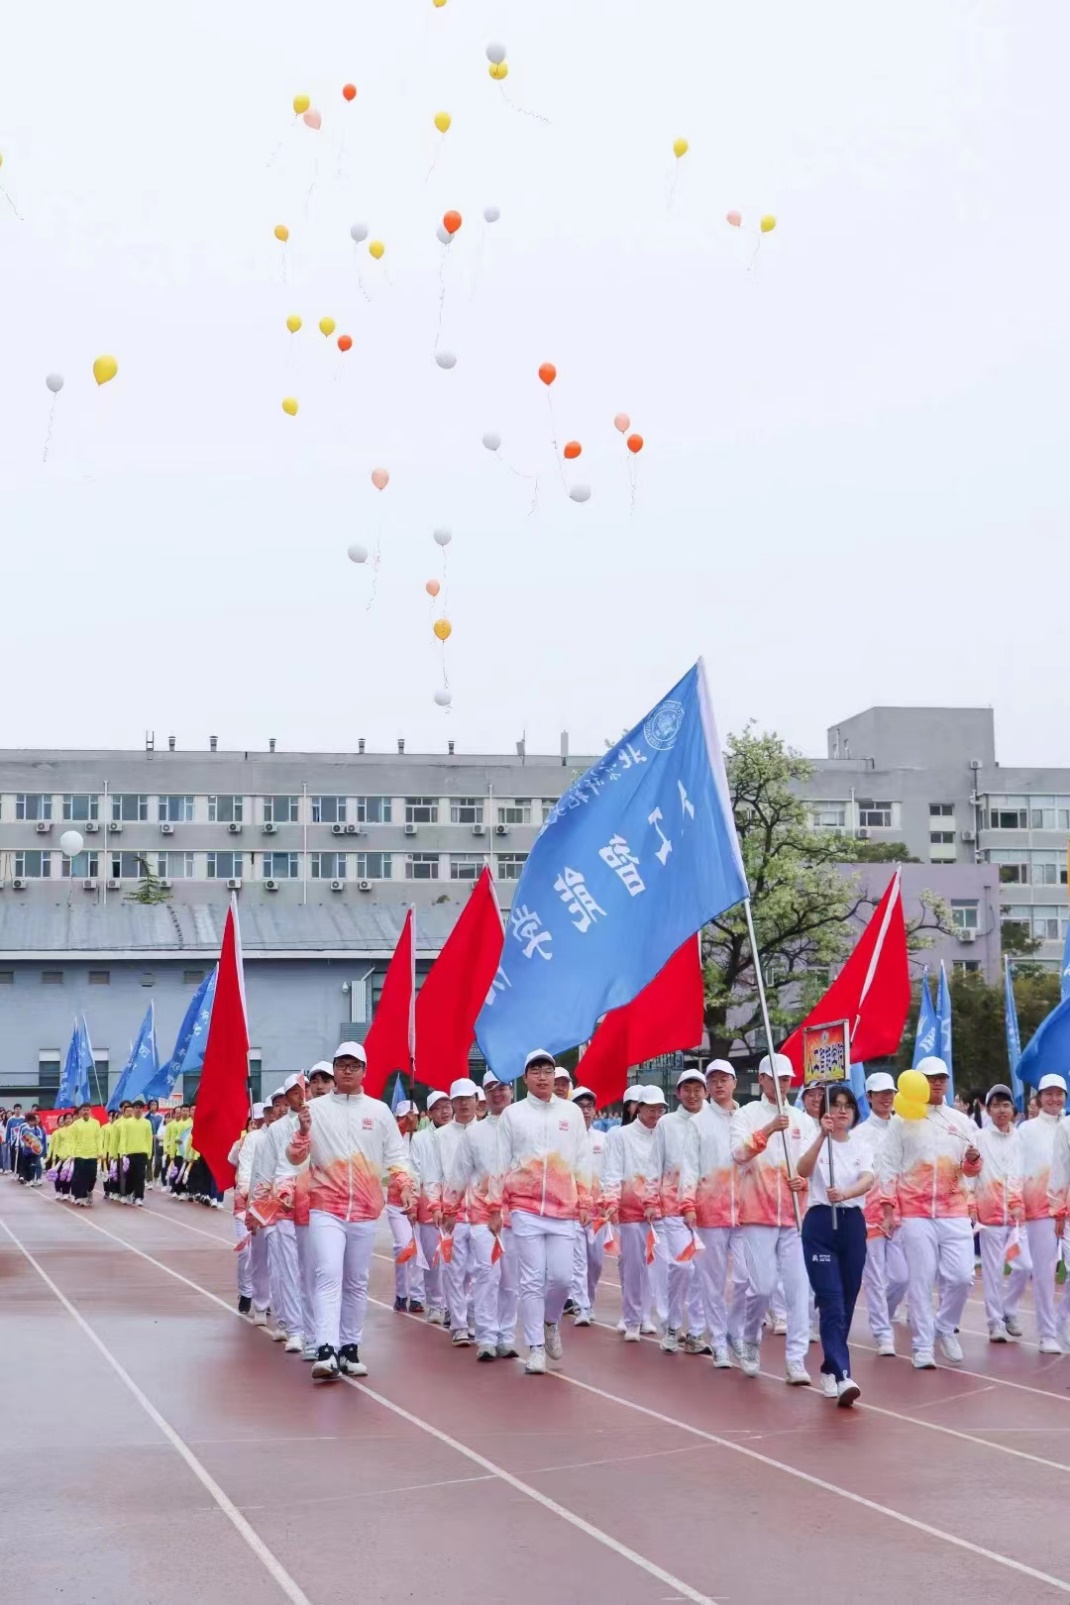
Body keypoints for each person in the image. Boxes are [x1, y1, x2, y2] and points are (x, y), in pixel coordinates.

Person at [288, 1041, 415, 1382]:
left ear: (364, 1071)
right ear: (334, 1069)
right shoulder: (314, 1110)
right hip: (325, 1208)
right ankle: (326, 1349)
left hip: (364, 1209)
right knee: (328, 1273)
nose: (347, 1070)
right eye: (342, 1065)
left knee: (357, 1281)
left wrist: (405, 1183)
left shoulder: (379, 1112)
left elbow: (397, 1156)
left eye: (354, 1065)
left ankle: (349, 1348)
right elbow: (295, 1157)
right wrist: (302, 1132)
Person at [877, 1056, 982, 1369]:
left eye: (941, 1078)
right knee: (921, 1280)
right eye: (930, 1078)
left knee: (962, 1276)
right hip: (916, 1213)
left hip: (954, 1210)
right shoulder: (901, 1121)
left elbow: (971, 1170)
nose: (937, 1083)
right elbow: (888, 1165)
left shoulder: (961, 1121)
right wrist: (888, 1208)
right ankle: (922, 1346)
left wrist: (973, 1160)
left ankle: (945, 1327)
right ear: (918, 1081)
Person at [497, 1050, 589, 1375]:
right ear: (525, 1078)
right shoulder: (513, 1115)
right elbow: (501, 1162)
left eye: (547, 1071)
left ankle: (551, 1321)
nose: (542, 1077)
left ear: (555, 1076)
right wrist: (499, 1204)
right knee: (532, 1279)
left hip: (563, 1207)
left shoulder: (571, 1113)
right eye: (535, 1071)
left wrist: (586, 1199)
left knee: (563, 1278)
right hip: (525, 1208)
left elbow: (582, 1159)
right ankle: (535, 1347)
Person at [730, 1053, 812, 1384]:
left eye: (786, 1079)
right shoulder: (746, 1115)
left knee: (799, 1290)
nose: (781, 1085)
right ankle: (750, 1339)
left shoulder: (802, 1119)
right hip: (757, 1215)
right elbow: (738, 1154)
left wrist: (804, 1180)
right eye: (775, 1079)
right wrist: (767, 1130)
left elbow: (812, 1164)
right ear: (762, 1080)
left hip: (795, 1217)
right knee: (761, 1288)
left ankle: (796, 1360)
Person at [796, 1084, 874, 1407]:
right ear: (823, 1111)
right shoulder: (815, 1139)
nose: (842, 1110)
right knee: (831, 1300)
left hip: (851, 1222)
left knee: (848, 1297)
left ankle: (829, 1367)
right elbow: (802, 1170)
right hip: (819, 1223)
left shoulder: (862, 1145)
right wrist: (821, 1136)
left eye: (847, 1105)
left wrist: (845, 1194)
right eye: (835, 1105)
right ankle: (843, 1376)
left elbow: (868, 1179)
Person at [681, 1059, 745, 1369]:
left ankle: (737, 1333)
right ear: (708, 1087)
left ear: (734, 1082)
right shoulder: (698, 1123)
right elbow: (689, 1167)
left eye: (724, 1079)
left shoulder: (747, 1117)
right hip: (710, 1211)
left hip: (747, 1211)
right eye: (714, 1080)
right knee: (713, 1281)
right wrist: (688, 1204)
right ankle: (718, 1341)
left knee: (749, 1280)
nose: (719, 1084)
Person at [650, 1069, 709, 1353]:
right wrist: (651, 1201)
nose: (693, 1094)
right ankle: (673, 1326)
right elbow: (654, 1163)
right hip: (673, 1207)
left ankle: (696, 1332)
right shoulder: (666, 1123)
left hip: (708, 1208)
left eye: (698, 1089)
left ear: (706, 1092)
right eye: (687, 1089)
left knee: (702, 1272)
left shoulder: (714, 1121)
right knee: (682, 1266)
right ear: (678, 1093)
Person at [601, 1085, 665, 1342]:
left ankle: (647, 1315)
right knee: (633, 1266)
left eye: (659, 1109)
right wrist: (611, 1201)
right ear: (639, 1108)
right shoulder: (620, 1135)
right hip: (630, 1210)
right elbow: (612, 1171)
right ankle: (632, 1320)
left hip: (660, 1210)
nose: (655, 1114)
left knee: (657, 1265)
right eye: (650, 1109)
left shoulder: (665, 1133)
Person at [854, 1071, 908, 1356]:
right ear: (869, 1097)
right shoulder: (859, 1135)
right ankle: (882, 1333)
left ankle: (883, 1316)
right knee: (874, 1278)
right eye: (881, 1094)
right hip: (871, 1215)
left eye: (891, 1093)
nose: (887, 1098)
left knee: (901, 1277)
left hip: (902, 1214)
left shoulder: (905, 1128)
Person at [973, 1084, 1031, 1343]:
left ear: (1013, 1110)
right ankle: (995, 1323)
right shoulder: (978, 1138)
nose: (1001, 1110)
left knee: (1025, 1266)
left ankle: (1009, 1309)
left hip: (1019, 1216)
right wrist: (972, 1206)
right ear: (988, 1109)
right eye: (995, 1105)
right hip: (990, 1216)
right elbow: (969, 1175)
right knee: (993, 1272)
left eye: (1005, 1105)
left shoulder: (1021, 1139)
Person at [1019, 1072, 1067, 1354]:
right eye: (1048, 1094)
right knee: (1045, 1273)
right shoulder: (1027, 1130)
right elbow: (1017, 1167)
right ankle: (1047, 1333)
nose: (1054, 1099)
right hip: (1040, 1209)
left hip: (1068, 1210)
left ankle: (1061, 1320)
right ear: (1039, 1098)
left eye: (1059, 1094)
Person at [434, 1078, 484, 1350]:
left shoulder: (488, 1132)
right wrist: (437, 1206)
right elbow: (433, 1175)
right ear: (452, 1103)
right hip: (452, 1216)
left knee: (480, 1271)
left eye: (468, 1098)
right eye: (459, 1099)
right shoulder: (440, 1137)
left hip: (481, 1214)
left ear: (476, 1101)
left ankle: (474, 1317)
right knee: (455, 1271)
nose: (464, 1103)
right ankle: (460, 1324)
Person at [410, 1090, 452, 1325]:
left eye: (447, 1106)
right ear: (430, 1112)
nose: (444, 1111)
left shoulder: (459, 1134)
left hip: (455, 1206)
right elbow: (414, 1172)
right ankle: (435, 1304)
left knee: (455, 1260)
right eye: (439, 1107)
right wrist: (414, 1202)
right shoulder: (419, 1139)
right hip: (428, 1206)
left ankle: (452, 1305)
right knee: (432, 1259)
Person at [567, 1086, 607, 1329]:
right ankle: (582, 1306)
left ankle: (589, 1301)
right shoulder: (564, 1140)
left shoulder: (603, 1139)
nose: (585, 1111)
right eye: (580, 1106)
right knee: (578, 1261)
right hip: (572, 1212)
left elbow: (610, 1172)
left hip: (597, 1213)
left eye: (588, 1106)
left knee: (596, 1262)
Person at [387, 1100, 424, 1315]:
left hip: (420, 1203)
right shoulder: (393, 1141)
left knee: (418, 1249)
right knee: (403, 1246)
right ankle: (401, 1293)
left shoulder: (422, 1140)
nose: (409, 1120)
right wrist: (403, 1126)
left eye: (413, 1116)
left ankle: (417, 1297)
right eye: (403, 1117)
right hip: (397, 1203)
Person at [230, 1103, 267, 1318]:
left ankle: (264, 1296)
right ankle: (245, 1292)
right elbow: (232, 1160)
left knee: (266, 1252)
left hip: (267, 1200)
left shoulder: (276, 1137)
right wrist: (243, 1144)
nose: (260, 1122)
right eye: (256, 1120)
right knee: (246, 1251)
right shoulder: (243, 1141)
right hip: (243, 1200)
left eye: (264, 1118)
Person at [119, 1096, 153, 1206]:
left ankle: (139, 1197)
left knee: (140, 1176)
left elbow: (149, 1139)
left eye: (140, 1108)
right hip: (130, 1153)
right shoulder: (127, 1123)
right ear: (133, 1109)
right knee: (129, 1176)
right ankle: (127, 1193)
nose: (138, 1110)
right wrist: (123, 1152)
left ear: (143, 1109)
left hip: (142, 1153)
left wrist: (149, 1153)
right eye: (136, 1108)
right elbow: (123, 1138)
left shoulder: (147, 1123)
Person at [70, 1102, 103, 1206]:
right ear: (80, 1111)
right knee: (80, 1177)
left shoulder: (96, 1123)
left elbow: (98, 1138)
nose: (86, 1112)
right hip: (80, 1154)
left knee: (92, 1177)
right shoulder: (75, 1124)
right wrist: (72, 1153)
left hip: (92, 1154)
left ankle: (89, 1191)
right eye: (84, 1110)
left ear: (90, 1111)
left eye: (87, 1110)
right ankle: (81, 1196)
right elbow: (72, 1140)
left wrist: (100, 1151)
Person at [17, 1110, 45, 1185]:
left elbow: (40, 1138)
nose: (32, 1123)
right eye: (31, 1121)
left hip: (34, 1152)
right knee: (27, 1166)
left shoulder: (37, 1129)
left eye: (33, 1121)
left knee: (32, 1166)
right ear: (27, 1121)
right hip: (26, 1152)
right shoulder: (24, 1129)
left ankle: (31, 1180)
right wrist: (24, 1144)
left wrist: (34, 1143)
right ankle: (28, 1179)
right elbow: (21, 1139)